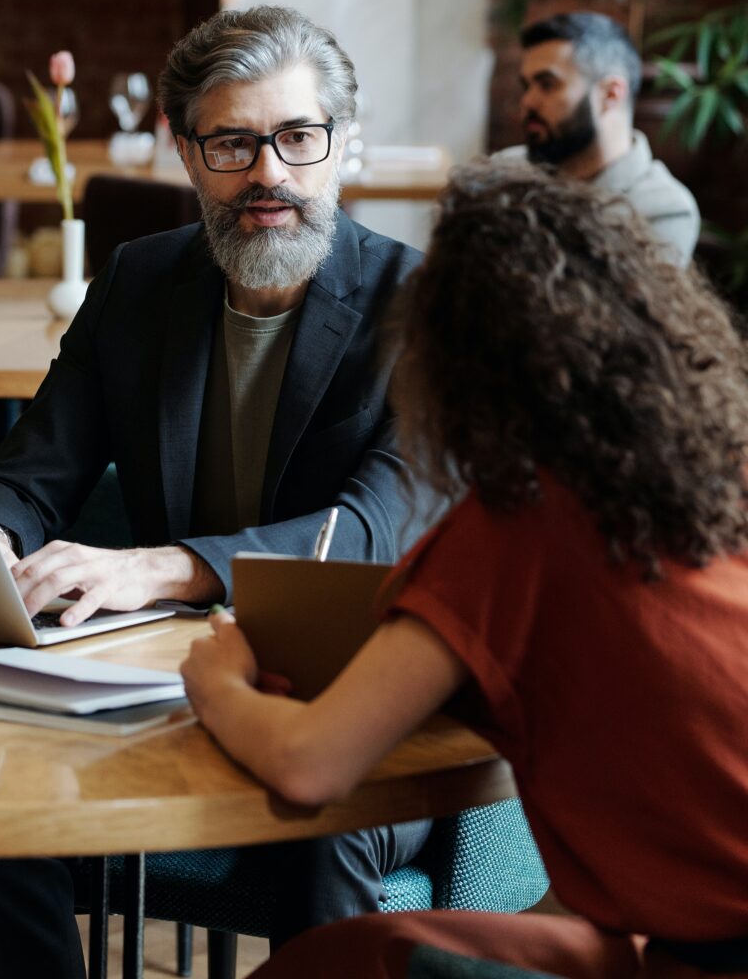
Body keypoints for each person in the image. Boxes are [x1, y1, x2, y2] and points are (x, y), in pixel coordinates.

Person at [182, 160, 748, 979]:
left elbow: (312, 764)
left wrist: (220, 679)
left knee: (331, 964)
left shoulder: (514, 527)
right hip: (681, 939)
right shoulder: (714, 480)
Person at [0, 4, 440, 976]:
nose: (269, 172)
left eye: (297, 138)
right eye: (233, 141)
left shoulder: (422, 307)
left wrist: (168, 567)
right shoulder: (140, 282)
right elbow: (30, 475)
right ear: (187, 153)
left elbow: (371, 530)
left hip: (363, 705)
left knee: (324, 814)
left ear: (342, 147)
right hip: (170, 692)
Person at [502, 10, 699, 263]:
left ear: (610, 94)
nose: (527, 101)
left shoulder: (662, 209)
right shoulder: (505, 171)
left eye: (547, 84)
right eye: (526, 86)